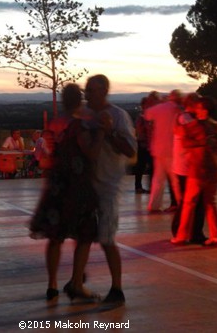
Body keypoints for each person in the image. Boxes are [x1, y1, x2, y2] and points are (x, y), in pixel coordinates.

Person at [29, 83, 104, 301]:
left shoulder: (54, 123)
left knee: (55, 236)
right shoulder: (79, 125)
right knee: (84, 234)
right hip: (77, 186)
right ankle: (77, 283)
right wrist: (100, 133)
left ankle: (52, 284)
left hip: (56, 184)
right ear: (79, 100)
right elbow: (90, 154)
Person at [83, 74, 136, 304]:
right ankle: (77, 278)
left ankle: (117, 288)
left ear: (104, 91)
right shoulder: (84, 115)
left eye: (92, 90)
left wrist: (110, 131)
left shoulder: (118, 116)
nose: (87, 94)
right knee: (82, 234)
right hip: (86, 184)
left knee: (106, 238)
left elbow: (130, 151)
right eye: (86, 90)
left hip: (108, 185)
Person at [171, 97, 217, 247]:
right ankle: (216, 236)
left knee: (189, 203)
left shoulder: (197, 126)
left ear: (204, 110)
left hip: (198, 169)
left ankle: (181, 236)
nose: (196, 110)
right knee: (210, 203)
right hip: (214, 169)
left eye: (199, 108)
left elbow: (183, 139)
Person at [171, 93, 206, 244]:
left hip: (187, 166)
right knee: (192, 201)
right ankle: (187, 232)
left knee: (193, 201)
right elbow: (200, 136)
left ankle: (189, 232)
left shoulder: (184, 118)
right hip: (186, 167)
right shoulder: (185, 119)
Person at [144, 90, 182, 212]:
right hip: (172, 150)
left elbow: (147, 115)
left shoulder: (160, 108)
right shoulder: (178, 109)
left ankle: (154, 205)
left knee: (158, 180)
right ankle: (181, 204)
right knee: (175, 180)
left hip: (158, 150)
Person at [133, 97, 153, 194]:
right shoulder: (142, 117)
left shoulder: (143, 117)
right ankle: (139, 187)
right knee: (142, 166)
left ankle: (139, 186)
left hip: (145, 144)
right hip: (144, 144)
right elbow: (140, 131)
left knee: (143, 166)